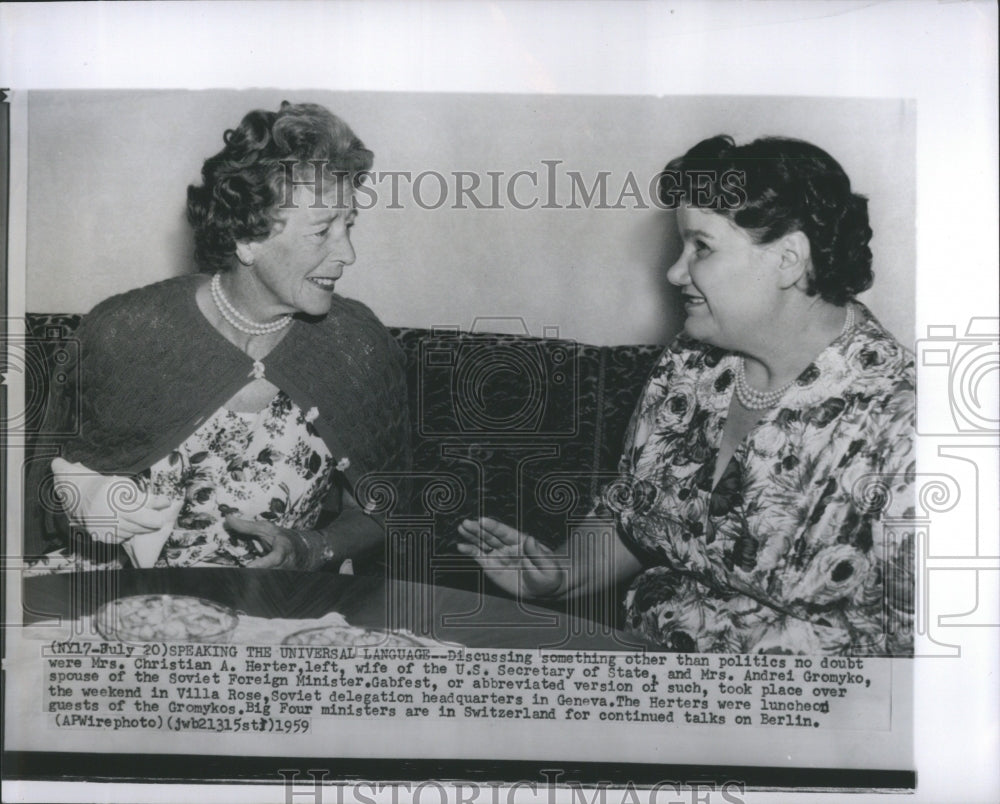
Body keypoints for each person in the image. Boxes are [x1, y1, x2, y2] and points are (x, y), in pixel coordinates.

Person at [458, 135, 915, 656]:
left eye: (702, 247)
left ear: (789, 259)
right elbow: (634, 513)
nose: (676, 272)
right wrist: (560, 576)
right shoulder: (691, 361)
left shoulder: (902, 424)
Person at [26, 101, 410, 572]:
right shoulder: (125, 331)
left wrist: (309, 549)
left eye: (348, 225)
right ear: (247, 237)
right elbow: (44, 504)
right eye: (322, 231)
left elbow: (383, 510)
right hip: (112, 592)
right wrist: (85, 504)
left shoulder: (357, 345)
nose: (347, 252)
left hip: (271, 606)